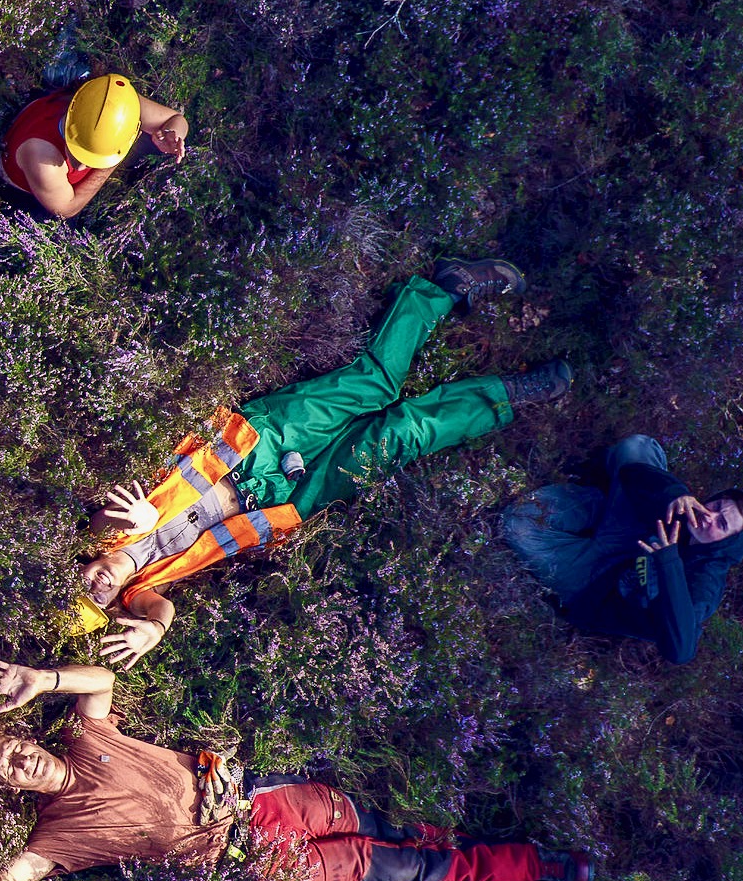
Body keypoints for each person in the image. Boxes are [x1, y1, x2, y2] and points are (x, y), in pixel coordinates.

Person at [0, 616, 594, 881]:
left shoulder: (85, 739)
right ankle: (534, 866)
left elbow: (98, 684)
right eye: (9, 769)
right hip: (251, 863)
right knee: (403, 870)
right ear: (13, 790)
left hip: (263, 801)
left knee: (399, 831)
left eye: (15, 745)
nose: (20, 759)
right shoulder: (58, 835)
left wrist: (42, 678)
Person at [65, 262, 573, 637]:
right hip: (287, 502)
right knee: (400, 437)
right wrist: (152, 631)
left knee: (373, 384)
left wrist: (133, 520)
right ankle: (503, 396)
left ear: (82, 565)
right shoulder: (142, 589)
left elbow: (101, 524)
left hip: (251, 448)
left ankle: (443, 288)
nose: (99, 584)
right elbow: (162, 611)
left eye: (85, 582)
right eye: (98, 599)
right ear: (113, 607)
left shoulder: (103, 539)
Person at [498, 436, 743, 666]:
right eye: (715, 507)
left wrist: (668, 562)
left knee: (518, 523)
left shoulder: (706, 583)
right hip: (620, 530)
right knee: (638, 449)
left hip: (594, 585)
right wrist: (673, 493)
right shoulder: (689, 511)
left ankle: (591, 507)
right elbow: (634, 470)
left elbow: (681, 651)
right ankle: (597, 499)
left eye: (722, 524)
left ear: (730, 542)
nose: (709, 517)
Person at [0, 72, 190, 221]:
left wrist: (171, 136)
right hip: (20, 191)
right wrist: (108, 166)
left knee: (153, 143)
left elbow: (176, 119)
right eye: (78, 151)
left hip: (44, 128)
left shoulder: (113, 102)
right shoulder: (43, 158)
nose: (81, 166)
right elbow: (67, 209)